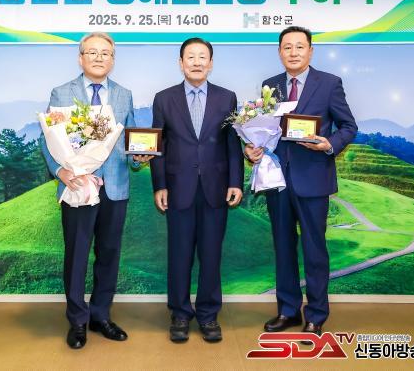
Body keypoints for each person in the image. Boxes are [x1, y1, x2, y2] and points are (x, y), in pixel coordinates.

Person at [41, 32, 152, 349]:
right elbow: (47, 138)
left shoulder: (124, 94)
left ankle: (101, 315)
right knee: (77, 255)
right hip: (77, 186)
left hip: (114, 187)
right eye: (92, 52)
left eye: (106, 53)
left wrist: (138, 158)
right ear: (81, 58)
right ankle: (77, 320)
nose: (99, 57)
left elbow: (130, 140)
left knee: (109, 254)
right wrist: (61, 171)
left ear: (113, 60)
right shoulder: (62, 92)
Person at [245, 26, 357, 338]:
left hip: (314, 179)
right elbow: (263, 129)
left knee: (314, 249)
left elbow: (348, 126)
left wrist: (329, 144)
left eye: (299, 47)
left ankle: (316, 314)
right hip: (277, 178)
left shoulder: (329, 83)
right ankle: (288, 310)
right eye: (287, 47)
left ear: (310, 51)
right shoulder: (270, 86)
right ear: (279, 52)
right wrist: (252, 149)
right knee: (283, 247)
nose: (293, 52)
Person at [150, 37, 244, 343]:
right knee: (179, 255)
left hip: (216, 188)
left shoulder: (227, 97)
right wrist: (160, 185)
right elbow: (158, 146)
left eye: (202, 57)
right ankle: (179, 314)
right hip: (178, 188)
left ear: (211, 63)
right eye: (190, 57)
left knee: (211, 254)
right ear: (181, 63)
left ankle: (208, 315)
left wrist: (235, 181)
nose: (196, 62)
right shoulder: (164, 98)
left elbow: (232, 144)